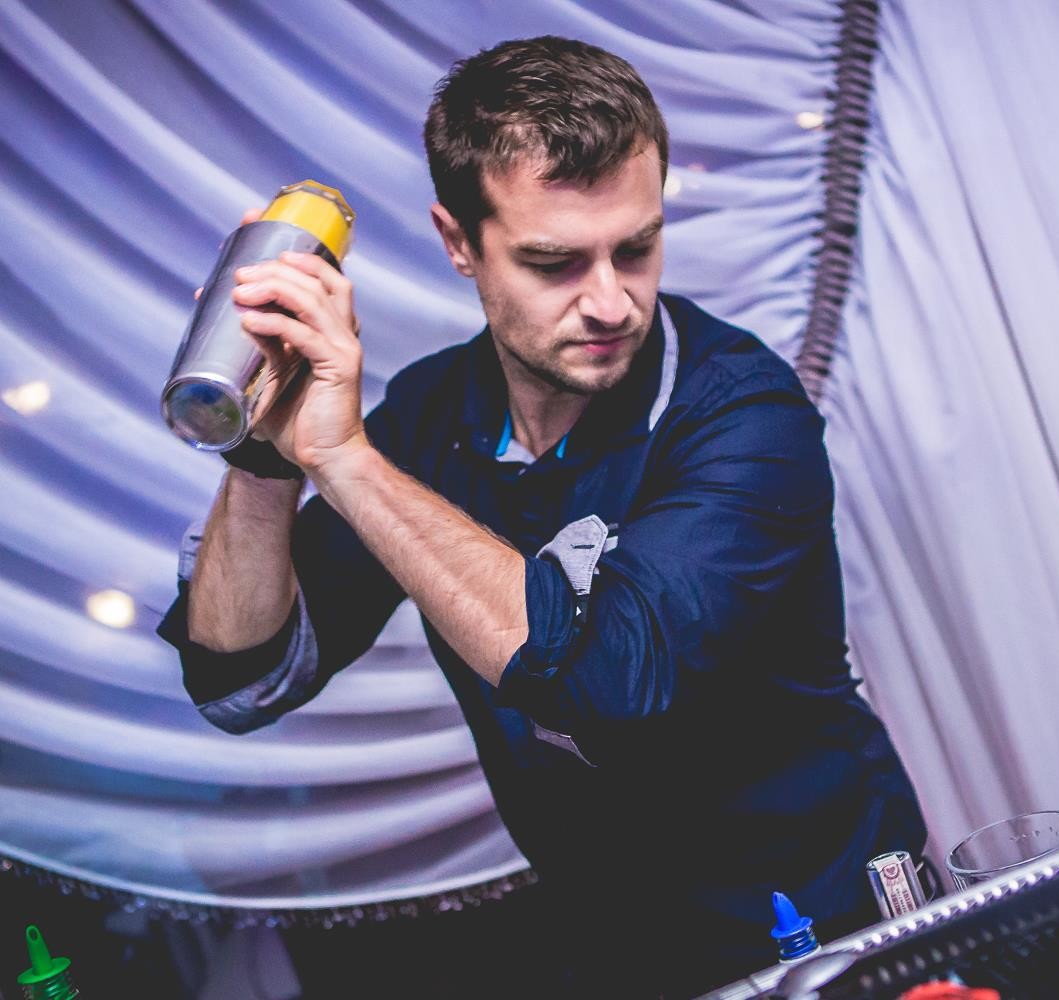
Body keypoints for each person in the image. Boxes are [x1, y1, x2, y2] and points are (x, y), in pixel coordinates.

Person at [158, 35, 926, 997]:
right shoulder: (429, 417)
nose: (611, 302)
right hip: (625, 955)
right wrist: (267, 454)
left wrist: (345, 459)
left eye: (636, 248)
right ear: (459, 244)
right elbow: (241, 681)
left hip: (831, 927)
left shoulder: (742, 411)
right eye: (555, 262)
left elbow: (612, 681)